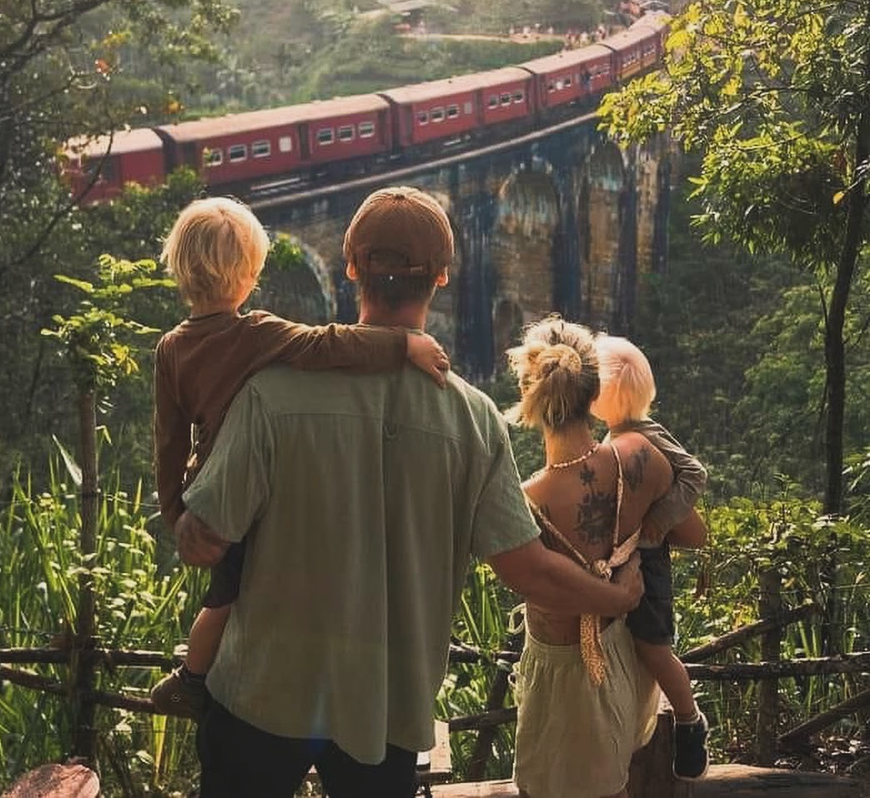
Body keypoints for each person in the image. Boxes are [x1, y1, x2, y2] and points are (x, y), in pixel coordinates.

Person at [174, 186, 645, 798]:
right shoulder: (474, 420)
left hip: (263, 694)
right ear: (443, 277)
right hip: (386, 709)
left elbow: (201, 542)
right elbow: (529, 569)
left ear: (351, 268)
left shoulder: (270, 393)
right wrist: (615, 596)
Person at [149, 195, 450, 720]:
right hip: (254, 488)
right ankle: (193, 680)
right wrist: (403, 347)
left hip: (210, 497)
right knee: (233, 595)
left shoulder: (171, 348)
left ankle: (196, 676)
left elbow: (168, 441)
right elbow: (330, 344)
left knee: (226, 597)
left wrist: (176, 514)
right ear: (249, 273)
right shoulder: (258, 333)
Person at [507, 317, 684, 798]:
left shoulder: (528, 500)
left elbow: (529, 580)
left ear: (531, 395)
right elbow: (690, 529)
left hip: (568, 679)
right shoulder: (639, 457)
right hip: (625, 656)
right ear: (594, 392)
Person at [592, 333, 710, 781]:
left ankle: (688, 721)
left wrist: (660, 519)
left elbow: (695, 472)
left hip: (651, 561)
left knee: (655, 649)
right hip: (625, 561)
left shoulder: (644, 433)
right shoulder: (616, 436)